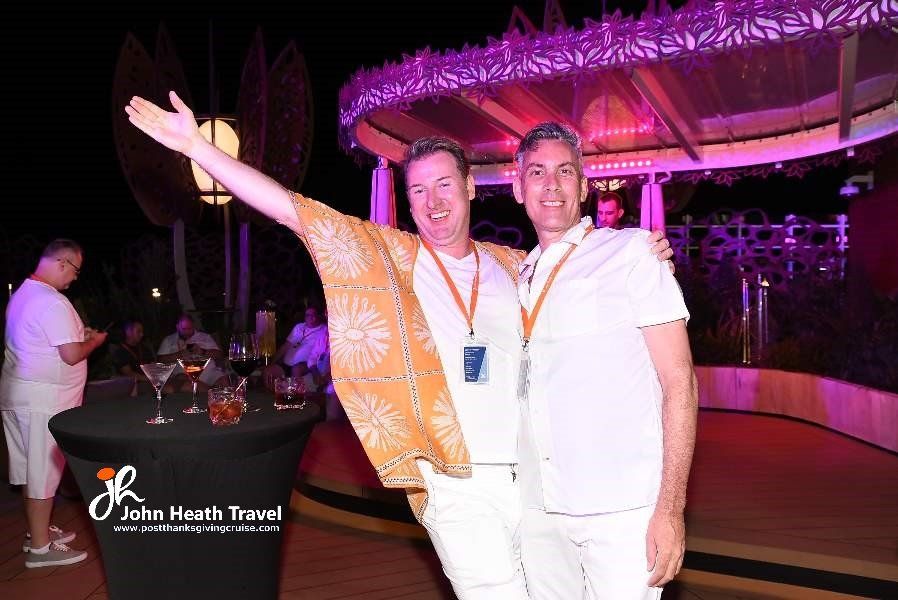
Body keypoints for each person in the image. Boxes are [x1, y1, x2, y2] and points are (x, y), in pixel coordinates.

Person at [126, 92, 672, 599]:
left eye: (444, 185)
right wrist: (199, 148)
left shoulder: (516, 266)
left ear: (471, 188)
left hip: (535, 488)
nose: (433, 202)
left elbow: (582, 274)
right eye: (417, 189)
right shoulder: (390, 260)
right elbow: (292, 211)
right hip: (456, 487)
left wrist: (644, 251)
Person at [512, 122, 697, 599]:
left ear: (584, 185)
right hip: (540, 511)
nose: (551, 185)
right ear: (517, 187)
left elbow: (680, 383)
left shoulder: (633, 253)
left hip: (622, 514)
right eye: (537, 172)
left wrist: (670, 509)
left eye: (564, 171)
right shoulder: (516, 274)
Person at [0, 239, 108, 568]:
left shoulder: (23, 294)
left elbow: (49, 342)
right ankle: (41, 550)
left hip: (22, 394)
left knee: (34, 470)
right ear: (62, 263)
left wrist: (79, 336)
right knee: (43, 472)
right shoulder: (51, 301)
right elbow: (72, 354)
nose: (75, 277)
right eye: (75, 270)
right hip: (42, 400)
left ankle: (37, 532)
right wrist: (94, 341)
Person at [262, 305, 327, 391]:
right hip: (287, 364)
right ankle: (275, 400)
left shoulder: (323, 330)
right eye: (308, 315)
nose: (311, 318)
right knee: (268, 372)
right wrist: (272, 362)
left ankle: (295, 398)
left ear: (318, 316)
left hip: (305, 365)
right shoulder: (299, 327)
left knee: (296, 369)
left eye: (313, 315)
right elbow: (285, 346)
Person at [157, 314, 228, 392]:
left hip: (208, 373)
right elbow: (160, 360)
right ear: (177, 327)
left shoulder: (205, 337)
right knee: (183, 380)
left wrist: (202, 351)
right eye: (184, 329)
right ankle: (211, 392)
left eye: (190, 328)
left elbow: (219, 355)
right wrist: (179, 354)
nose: (187, 331)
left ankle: (213, 393)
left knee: (223, 380)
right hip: (184, 374)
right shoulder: (169, 340)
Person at [109, 319, 156, 393]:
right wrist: (150, 379)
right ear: (128, 332)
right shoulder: (121, 351)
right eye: (138, 331)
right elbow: (128, 373)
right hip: (132, 386)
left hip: (149, 382)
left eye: (142, 331)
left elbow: (153, 366)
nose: (142, 334)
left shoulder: (144, 348)